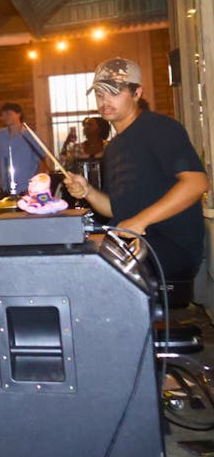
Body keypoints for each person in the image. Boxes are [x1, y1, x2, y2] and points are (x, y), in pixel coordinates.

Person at [65, 57, 209, 288]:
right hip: (134, 241)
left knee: (90, 275)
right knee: (69, 259)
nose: (105, 101)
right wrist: (88, 191)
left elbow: (196, 183)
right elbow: (116, 209)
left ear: (137, 93)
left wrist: (141, 221)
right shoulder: (113, 147)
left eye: (114, 92)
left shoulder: (161, 128)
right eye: (100, 94)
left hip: (170, 247)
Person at [0, 102, 46, 197]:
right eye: (2, 115)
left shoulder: (31, 136)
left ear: (19, 114)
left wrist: (34, 187)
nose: (5, 117)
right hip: (6, 189)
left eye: (8, 113)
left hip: (26, 189)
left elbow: (41, 164)